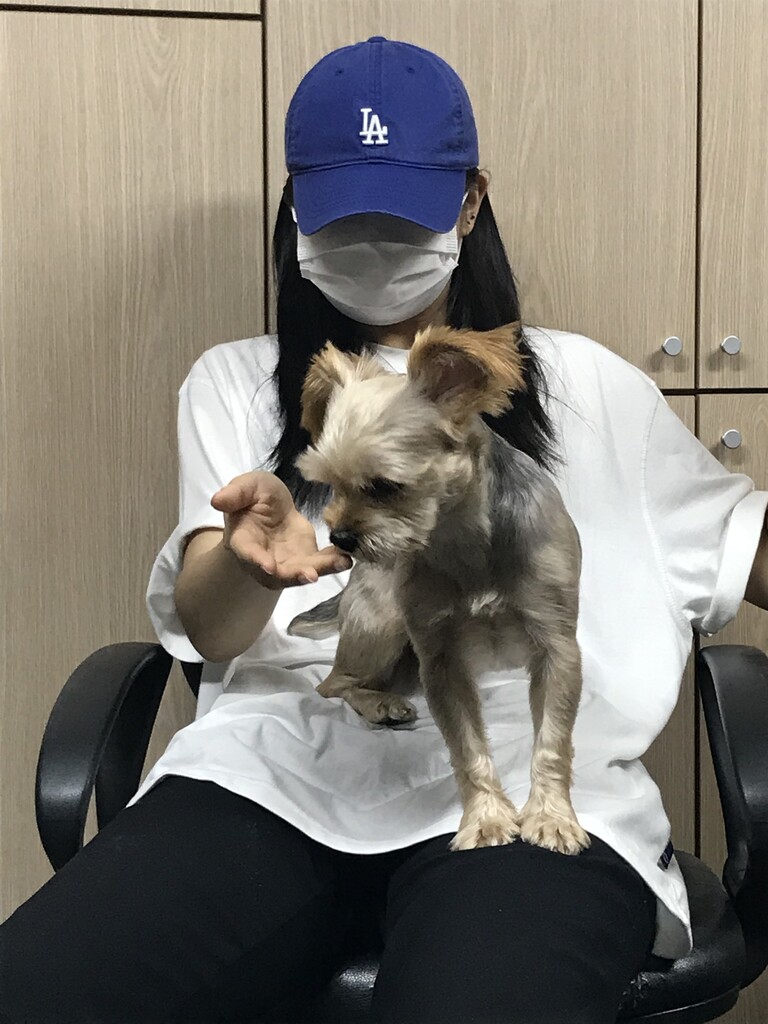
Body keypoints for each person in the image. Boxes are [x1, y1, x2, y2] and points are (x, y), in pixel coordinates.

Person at [2, 35, 768, 1024]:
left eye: (398, 218)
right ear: (296, 210)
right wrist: (248, 564)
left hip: (520, 800)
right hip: (272, 777)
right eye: (345, 218)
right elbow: (212, 629)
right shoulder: (238, 383)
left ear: (469, 203)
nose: (372, 246)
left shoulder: (589, 387)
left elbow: (746, 551)